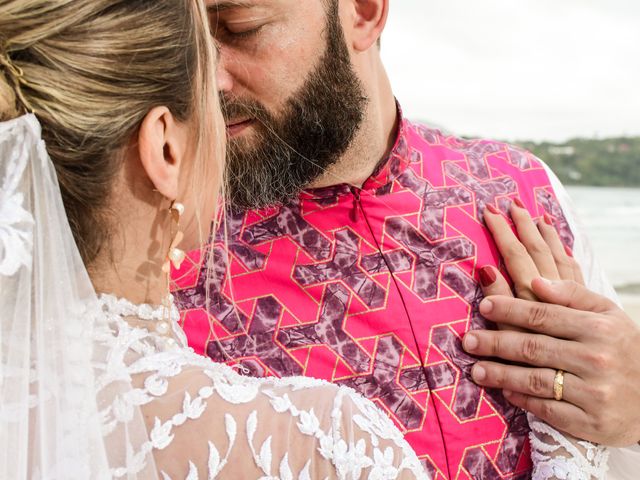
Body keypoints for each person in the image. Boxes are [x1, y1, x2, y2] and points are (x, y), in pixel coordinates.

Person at [171, 0, 640, 478]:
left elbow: (615, 428)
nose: (205, 79)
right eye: (185, 42)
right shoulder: (159, 248)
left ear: (364, 13)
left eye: (239, 27)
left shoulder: (524, 190)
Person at [0, 1, 427, 478]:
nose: (221, 88)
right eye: (205, 83)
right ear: (165, 148)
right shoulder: (315, 444)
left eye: (242, 28)